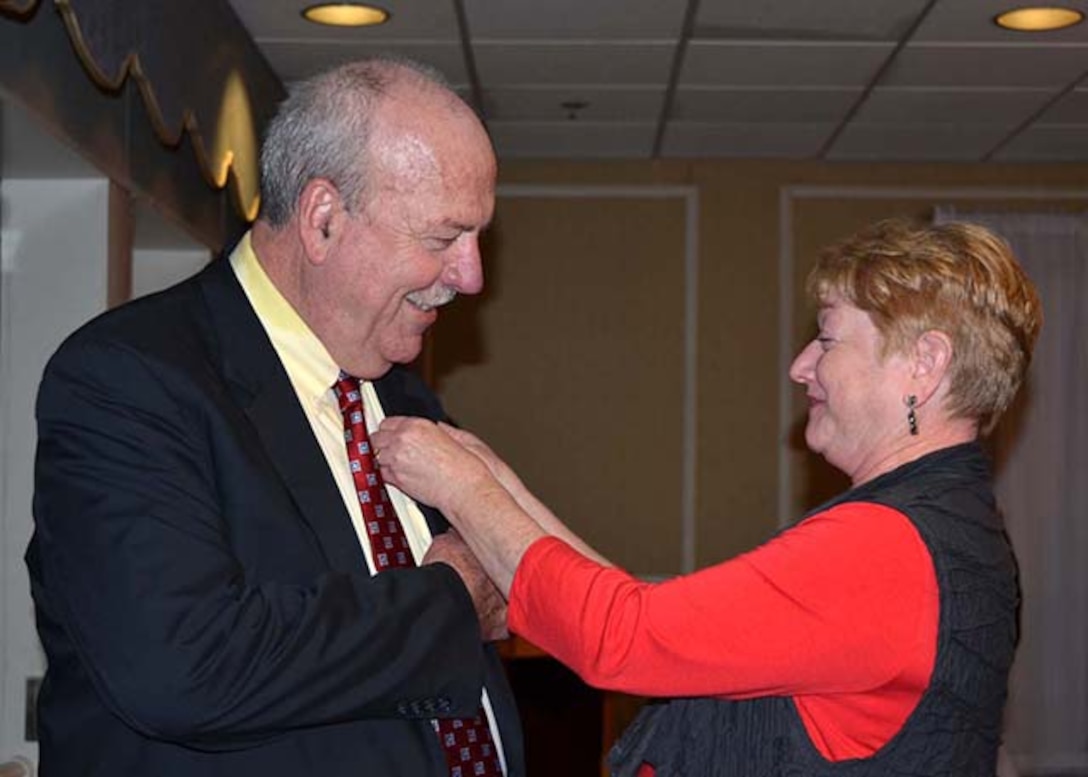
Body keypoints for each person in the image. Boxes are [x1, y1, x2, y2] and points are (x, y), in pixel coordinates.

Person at [371, 218, 1042, 776]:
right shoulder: (948, 527)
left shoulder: (887, 549)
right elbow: (650, 622)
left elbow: (622, 641)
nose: (801, 364)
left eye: (829, 337)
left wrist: (461, 487)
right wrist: (497, 485)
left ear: (924, 363)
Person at [27, 58, 524, 777]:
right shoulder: (129, 379)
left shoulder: (403, 399)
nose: (472, 276)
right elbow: (185, 665)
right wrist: (447, 601)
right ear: (323, 219)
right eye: (443, 238)